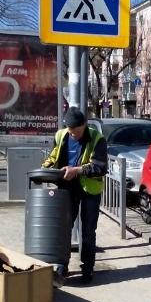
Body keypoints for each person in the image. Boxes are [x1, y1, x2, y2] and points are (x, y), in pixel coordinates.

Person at [41, 107, 108, 285]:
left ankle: (87, 270)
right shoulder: (61, 135)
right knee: (63, 230)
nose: (74, 136)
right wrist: (45, 168)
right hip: (67, 189)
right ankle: (61, 268)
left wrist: (77, 170)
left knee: (87, 232)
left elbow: (100, 167)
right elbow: (54, 157)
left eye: (77, 132)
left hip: (90, 191)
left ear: (84, 126)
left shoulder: (97, 138)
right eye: (71, 132)